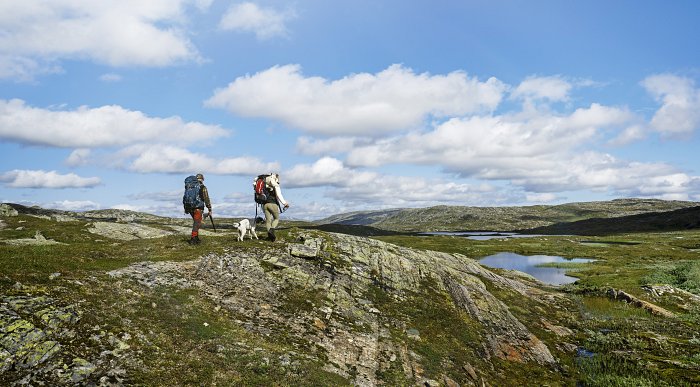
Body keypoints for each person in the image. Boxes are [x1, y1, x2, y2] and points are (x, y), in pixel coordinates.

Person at [261, 173, 289, 242]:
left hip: (265, 205)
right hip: (273, 204)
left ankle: (270, 237)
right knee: (276, 219)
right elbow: (279, 195)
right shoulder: (276, 185)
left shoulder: (264, 186)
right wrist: (285, 203)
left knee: (268, 221)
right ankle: (272, 230)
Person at [186, 173, 212, 245]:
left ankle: (196, 238)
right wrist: (209, 208)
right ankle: (193, 239)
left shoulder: (190, 186)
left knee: (196, 222)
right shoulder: (203, 187)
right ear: (202, 179)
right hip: (198, 207)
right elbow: (206, 198)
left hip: (190, 207)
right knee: (197, 223)